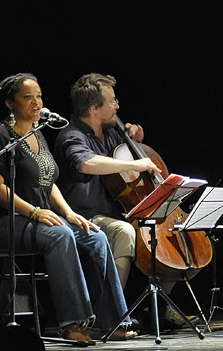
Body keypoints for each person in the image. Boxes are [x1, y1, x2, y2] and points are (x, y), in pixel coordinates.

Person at [0, 73, 133, 343]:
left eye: (39, 96)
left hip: (35, 219)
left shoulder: (37, 135)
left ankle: (109, 321)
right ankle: (72, 323)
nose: (36, 102)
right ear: (10, 103)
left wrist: (68, 212)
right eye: (27, 97)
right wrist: (34, 212)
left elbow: (49, 182)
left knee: (95, 235)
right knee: (60, 235)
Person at [53, 73, 186, 328]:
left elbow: (129, 173)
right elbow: (86, 163)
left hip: (117, 211)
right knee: (124, 232)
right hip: (85, 216)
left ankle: (160, 307)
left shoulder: (113, 135)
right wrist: (134, 163)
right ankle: (111, 315)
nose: (117, 106)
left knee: (172, 231)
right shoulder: (71, 136)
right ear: (94, 108)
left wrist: (135, 142)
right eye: (112, 101)